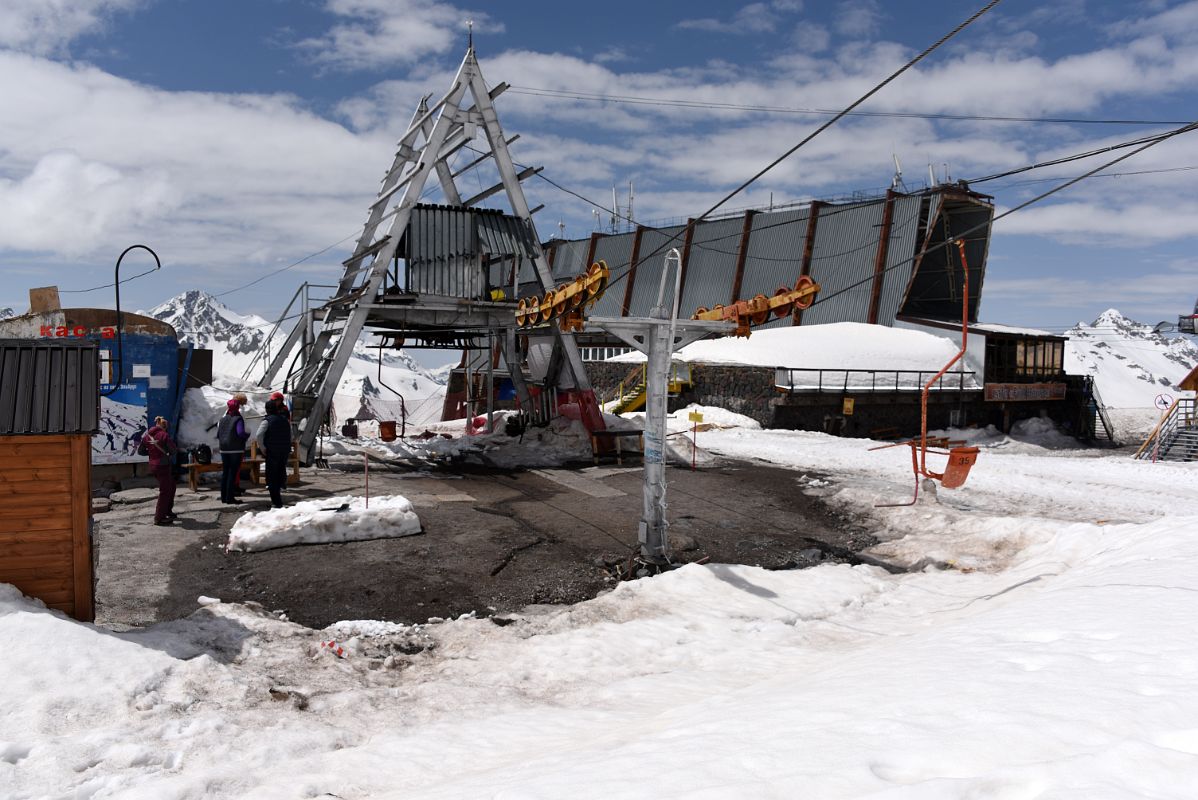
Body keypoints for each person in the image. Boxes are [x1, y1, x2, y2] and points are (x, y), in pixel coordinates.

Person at [141, 416, 178, 526]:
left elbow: (141, 451)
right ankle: (159, 518)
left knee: (171, 486)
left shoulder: (146, 436)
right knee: (165, 491)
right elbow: (173, 450)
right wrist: (165, 454)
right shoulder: (164, 435)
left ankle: (167, 511)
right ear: (164, 427)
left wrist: (152, 455)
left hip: (153, 465)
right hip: (163, 466)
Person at [256, 398, 292, 508]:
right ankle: (280, 492)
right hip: (284, 451)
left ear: (267, 410)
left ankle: (276, 502)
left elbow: (259, 435)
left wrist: (263, 448)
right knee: (281, 471)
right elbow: (291, 435)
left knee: (272, 476)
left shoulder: (267, 421)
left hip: (272, 452)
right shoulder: (285, 420)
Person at [217, 394, 249, 504]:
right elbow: (240, 433)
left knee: (225, 472)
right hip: (235, 449)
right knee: (232, 473)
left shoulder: (223, 419)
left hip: (223, 449)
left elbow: (218, 434)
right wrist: (247, 435)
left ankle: (223, 497)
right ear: (237, 408)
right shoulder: (238, 418)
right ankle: (230, 498)